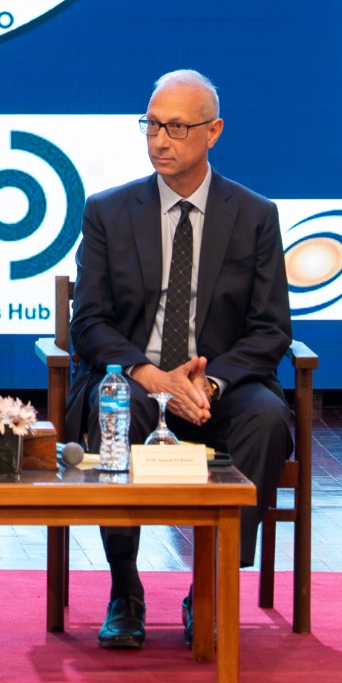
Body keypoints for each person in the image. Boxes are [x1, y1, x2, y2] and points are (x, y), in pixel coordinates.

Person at [69, 68, 292, 650]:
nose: (159, 141)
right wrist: (150, 375)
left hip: (221, 384)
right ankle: (124, 590)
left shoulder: (255, 215)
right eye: (151, 126)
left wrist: (209, 384)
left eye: (176, 128)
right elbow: (88, 321)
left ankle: (212, 587)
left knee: (268, 418)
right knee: (118, 408)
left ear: (213, 131)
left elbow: (271, 329)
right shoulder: (108, 212)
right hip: (135, 376)